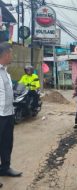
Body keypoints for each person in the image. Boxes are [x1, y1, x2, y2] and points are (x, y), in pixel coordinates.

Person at [0, 42, 22, 183]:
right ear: (5, 54)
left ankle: (5, 168)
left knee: (7, 142)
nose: (12, 55)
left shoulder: (6, 72)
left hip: (8, 114)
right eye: (11, 53)